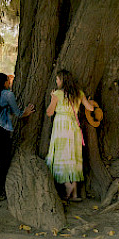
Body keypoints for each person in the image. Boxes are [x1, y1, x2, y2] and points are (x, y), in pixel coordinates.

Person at [0, 72, 34, 202]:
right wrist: (26, 112)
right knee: (5, 161)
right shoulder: (8, 94)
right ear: (6, 82)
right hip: (1, 129)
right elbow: (17, 113)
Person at [45, 69, 94, 201]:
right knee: (73, 157)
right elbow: (90, 108)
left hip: (61, 127)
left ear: (62, 80)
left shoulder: (57, 94)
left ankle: (65, 190)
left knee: (62, 156)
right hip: (73, 127)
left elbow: (49, 112)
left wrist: (52, 99)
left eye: (57, 79)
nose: (56, 81)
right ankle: (74, 193)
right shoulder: (79, 93)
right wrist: (88, 101)